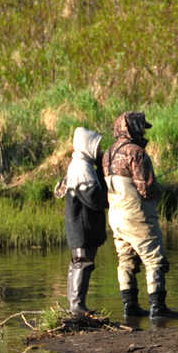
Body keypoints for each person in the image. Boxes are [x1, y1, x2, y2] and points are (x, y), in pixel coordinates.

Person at [102, 111, 178, 320]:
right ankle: (158, 308)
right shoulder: (136, 153)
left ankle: (130, 307)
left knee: (125, 259)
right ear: (134, 128)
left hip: (116, 217)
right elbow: (146, 189)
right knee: (154, 258)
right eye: (142, 127)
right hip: (136, 215)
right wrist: (159, 188)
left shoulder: (108, 153)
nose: (144, 131)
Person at [55, 127, 108, 317]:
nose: (99, 150)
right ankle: (77, 306)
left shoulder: (79, 164)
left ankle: (76, 305)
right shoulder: (82, 168)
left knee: (78, 262)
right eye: (97, 146)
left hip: (80, 225)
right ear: (87, 146)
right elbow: (94, 198)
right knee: (82, 262)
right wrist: (107, 188)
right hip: (82, 226)